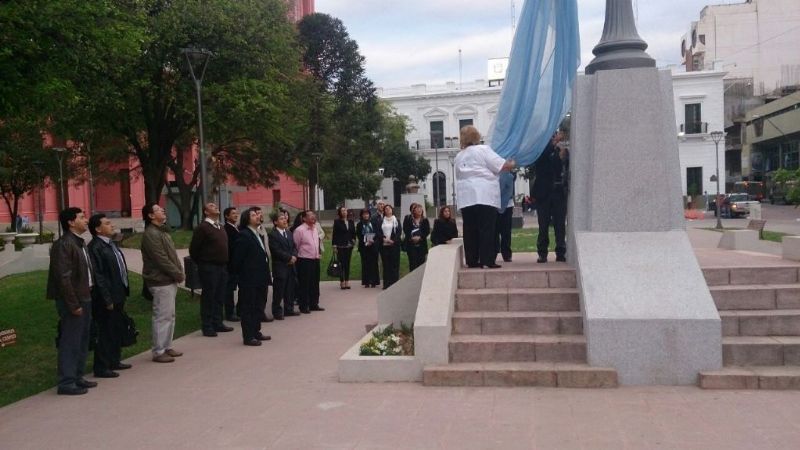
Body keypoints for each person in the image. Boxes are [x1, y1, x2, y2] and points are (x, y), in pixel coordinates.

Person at [47, 207, 96, 395]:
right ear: (70, 222)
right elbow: (63, 278)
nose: (86, 220)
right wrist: (73, 304)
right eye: (82, 217)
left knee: (83, 339)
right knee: (71, 340)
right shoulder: (64, 244)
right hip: (73, 300)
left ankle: (77, 376)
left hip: (85, 296)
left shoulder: (79, 243)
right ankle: (66, 382)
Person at [455, 125, 515, 268]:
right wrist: (513, 162)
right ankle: (487, 260)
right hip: (484, 194)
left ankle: (472, 260)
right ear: (477, 137)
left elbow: (458, 175)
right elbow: (502, 166)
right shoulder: (483, 150)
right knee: (487, 228)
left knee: (470, 229)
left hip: (466, 196)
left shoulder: (459, 155)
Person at [87, 214, 131, 379]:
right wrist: (107, 299)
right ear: (98, 229)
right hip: (107, 297)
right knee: (105, 331)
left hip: (118, 293)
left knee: (115, 328)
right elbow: (99, 276)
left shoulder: (110, 245)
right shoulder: (95, 247)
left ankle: (114, 359)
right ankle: (102, 366)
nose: (111, 225)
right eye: (107, 223)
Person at [140, 203, 184, 363]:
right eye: (158, 210)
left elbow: (170, 255)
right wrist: (177, 273)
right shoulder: (151, 234)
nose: (163, 211)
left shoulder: (161, 232)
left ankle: (167, 346)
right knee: (162, 316)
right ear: (151, 216)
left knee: (170, 315)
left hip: (168, 279)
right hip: (160, 280)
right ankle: (158, 350)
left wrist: (177, 272)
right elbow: (161, 259)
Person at [189, 202, 234, 337]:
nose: (215, 207)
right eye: (211, 206)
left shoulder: (220, 227)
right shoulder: (203, 228)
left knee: (220, 296)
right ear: (206, 212)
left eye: (215, 205)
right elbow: (194, 250)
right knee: (209, 296)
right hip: (209, 267)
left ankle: (218, 322)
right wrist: (204, 262)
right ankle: (207, 325)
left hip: (222, 266)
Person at [230, 207, 272, 346]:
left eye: (257, 214)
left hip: (260, 278)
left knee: (258, 306)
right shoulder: (244, 235)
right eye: (253, 215)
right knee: (248, 307)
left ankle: (256, 331)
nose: (257, 216)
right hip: (249, 279)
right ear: (247, 219)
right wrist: (241, 276)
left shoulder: (257, 234)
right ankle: (248, 336)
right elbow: (238, 259)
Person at [532, 131, 568, 263]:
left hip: (558, 192)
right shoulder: (541, 150)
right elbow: (542, 158)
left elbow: (564, 164)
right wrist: (552, 144)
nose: (555, 138)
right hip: (544, 193)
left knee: (560, 225)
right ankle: (542, 253)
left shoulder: (559, 150)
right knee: (543, 224)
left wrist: (563, 154)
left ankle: (561, 252)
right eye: (552, 137)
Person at [268, 211, 298, 320]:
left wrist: (294, 256)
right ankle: (277, 311)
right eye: (281, 218)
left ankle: (289, 309)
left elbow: (294, 247)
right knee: (279, 290)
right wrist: (289, 258)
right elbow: (276, 250)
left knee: (290, 288)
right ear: (275, 222)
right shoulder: (273, 234)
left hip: (291, 266)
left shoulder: (289, 233)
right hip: (280, 266)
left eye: (285, 218)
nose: (285, 220)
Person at [293, 210, 325, 313]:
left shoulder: (315, 228)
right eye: (310, 215)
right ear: (304, 218)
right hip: (304, 260)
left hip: (315, 259)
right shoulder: (299, 230)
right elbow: (296, 245)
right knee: (305, 283)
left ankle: (314, 303)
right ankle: (304, 305)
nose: (313, 217)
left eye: (313, 215)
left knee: (315, 282)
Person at [375, 204, 401, 289]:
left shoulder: (396, 220)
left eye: (389, 208)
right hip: (384, 246)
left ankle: (395, 284)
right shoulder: (381, 221)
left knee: (394, 265)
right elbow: (378, 232)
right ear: (384, 211)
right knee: (386, 265)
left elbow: (398, 232)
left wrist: (393, 240)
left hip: (394, 246)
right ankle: (386, 284)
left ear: (392, 210)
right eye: (386, 209)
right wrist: (384, 239)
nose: (387, 210)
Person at [223, 207, 241, 322]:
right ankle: (230, 313)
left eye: (236, 213)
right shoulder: (227, 229)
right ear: (226, 216)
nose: (236, 215)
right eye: (233, 213)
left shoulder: (237, 228)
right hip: (231, 265)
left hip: (238, 264)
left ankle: (238, 310)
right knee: (229, 290)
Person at [332, 206, 356, 289]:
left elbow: (353, 233)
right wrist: (334, 246)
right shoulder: (337, 222)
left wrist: (354, 240)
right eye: (342, 211)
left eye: (345, 210)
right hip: (340, 246)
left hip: (349, 246)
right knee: (341, 264)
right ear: (340, 212)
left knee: (347, 264)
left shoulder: (351, 221)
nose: (344, 212)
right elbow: (334, 234)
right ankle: (342, 281)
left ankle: (347, 281)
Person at [356, 208, 380, 288]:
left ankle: (374, 281)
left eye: (367, 214)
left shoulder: (374, 223)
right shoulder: (359, 224)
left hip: (373, 246)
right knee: (365, 264)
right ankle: (366, 282)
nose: (366, 215)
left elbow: (377, 233)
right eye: (364, 214)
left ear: (369, 215)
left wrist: (372, 241)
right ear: (361, 215)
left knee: (374, 264)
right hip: (364, 247)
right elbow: (359, 235)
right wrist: (366, 241)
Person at [402, 203, 430, 271]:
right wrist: (411, 238)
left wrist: (420, 238)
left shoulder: (425, 220)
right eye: (417, 209)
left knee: (421, 264)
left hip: (422, 245)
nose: (419, 210)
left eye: (420, 209)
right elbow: (406, 229)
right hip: (411, 245)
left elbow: (427, 231)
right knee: (413, 264)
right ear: (413, 211)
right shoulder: (408, 219)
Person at [496, 171, 515, 262]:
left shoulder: (509, 176)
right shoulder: (494, 174)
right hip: (495, 205)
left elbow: (507, 191)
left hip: (507, 205)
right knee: (495, 231)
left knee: (506, 231)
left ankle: (506, 254)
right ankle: (496, 251)